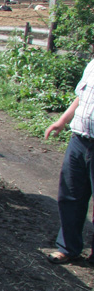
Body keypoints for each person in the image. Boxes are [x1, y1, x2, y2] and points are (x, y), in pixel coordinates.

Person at [44, 57, 94, 264]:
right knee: (70, 195)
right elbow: (80, 97)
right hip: (79, 140)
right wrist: (62, 120)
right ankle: (68, 248)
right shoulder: (92, 64)